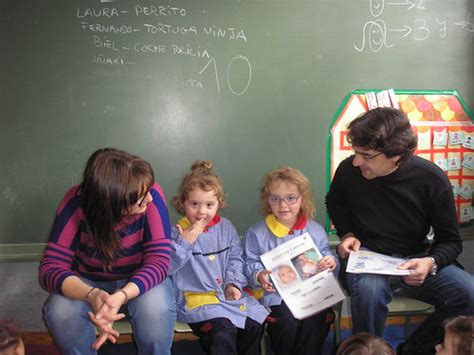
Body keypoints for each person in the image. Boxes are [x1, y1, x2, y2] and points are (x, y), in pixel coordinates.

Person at [325, 107, 474, 354]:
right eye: (356, 152)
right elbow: (335, 202)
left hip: (414, 260)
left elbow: (451, 241)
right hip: (368, 261)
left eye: (366, 155)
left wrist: (431, 262)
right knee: (369, 291)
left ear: (396, 154)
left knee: (470, 295)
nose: (356, 161)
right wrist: (348, 234)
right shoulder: (349, 171)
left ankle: (411, 350)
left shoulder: (431, 179)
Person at [39, 148, 176, 355]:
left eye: (147, 192)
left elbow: (159, 261)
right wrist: (91, 294)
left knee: (156, 308)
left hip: (138, 279)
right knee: (60, 311)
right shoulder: (76, 202)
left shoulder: (151, 194)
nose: (149, 199)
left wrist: (120, 296)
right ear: (110, 204)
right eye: (139, 199)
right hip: (87, 281)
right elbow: (50, 269)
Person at [169, 161, 268, 355]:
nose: (201, 212)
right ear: (182, 203)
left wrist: (233, 284)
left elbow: (236, 259)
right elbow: (167, 267)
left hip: (226, 296)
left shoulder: (226, 228)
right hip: (198, 301)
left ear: (219, 204)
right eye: (194, 204)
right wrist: (184, 243)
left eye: (209, 205)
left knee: (253, 325)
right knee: (222, 332)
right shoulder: (176, 232)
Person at [243, 166, 339, 355]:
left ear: (302, 199)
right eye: (275, 198)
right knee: (287, 321)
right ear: (267, 201)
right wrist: (259, 274)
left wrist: (330, 262)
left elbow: (327, 255)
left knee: (315, 319)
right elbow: (248, 263)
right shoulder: (257, 233)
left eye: (291, 198)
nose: (283, 205)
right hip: (277, 295)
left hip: (313, 292)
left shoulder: (315, 230)